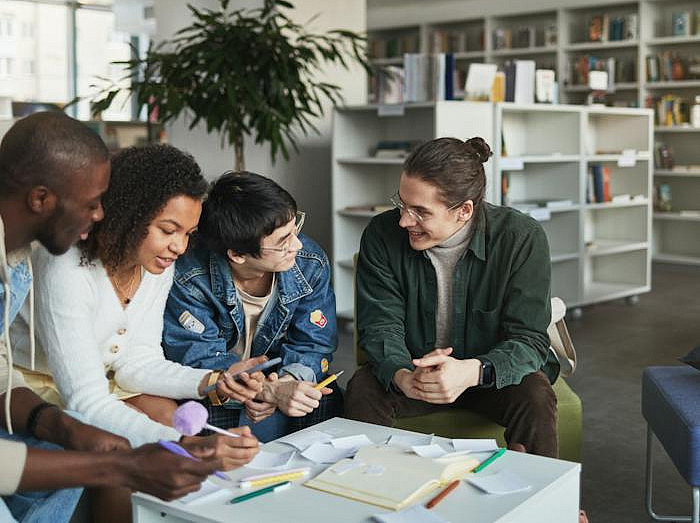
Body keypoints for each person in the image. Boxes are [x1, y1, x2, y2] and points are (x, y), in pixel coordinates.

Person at [9, 143, 260, 521]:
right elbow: (85, 402)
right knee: (130, 439)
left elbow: (135, 361)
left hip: (96, 383)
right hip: (33, 389)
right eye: (168, 229)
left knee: (162, 411)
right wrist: (184, 444)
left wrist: (213, 380)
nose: (179, 246)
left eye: (188, 233)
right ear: (127, 214)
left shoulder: (154, 264)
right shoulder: (66, 266)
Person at [344, 137, 560, 458]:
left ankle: (547, 502)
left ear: (464, 211)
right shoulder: (381, 234)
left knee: (535, 394)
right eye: (401, 204)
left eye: (420, 212)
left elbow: (529, 340)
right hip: (415, 372)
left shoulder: (520, 238)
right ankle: (361, 488)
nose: (404, 220)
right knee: (363, 389)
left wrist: (473, 371)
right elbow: (380, 326)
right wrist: (404, 376)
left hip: (491, 375)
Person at [163, 171, 342, 441]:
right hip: (220, 379)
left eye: (295, 229)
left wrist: (285, 383)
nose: (297, 245)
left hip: (280, 374)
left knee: (323, 396)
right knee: (206, 407)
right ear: (237, 254)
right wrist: (261, 392)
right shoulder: (189, 275)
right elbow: (197, 358)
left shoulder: (309, 261)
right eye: (283, 241)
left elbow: (313, 344)